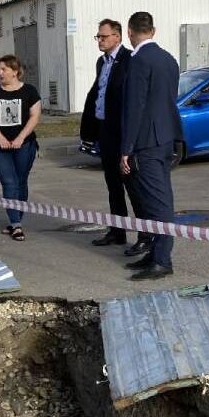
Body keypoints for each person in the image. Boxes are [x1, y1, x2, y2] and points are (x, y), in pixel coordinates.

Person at [120, 11, 182, 281]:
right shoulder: (168, 59)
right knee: (157, 198)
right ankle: (155, 253)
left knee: (157, 202)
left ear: (130, 33)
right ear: (153, 31)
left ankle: (162, 260)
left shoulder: (139, 61)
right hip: (166, 136)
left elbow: (135, 107)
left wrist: (126, 148)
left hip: (146, 141)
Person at [80, 18, 150, 256]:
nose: (99, 40)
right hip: (105, 130)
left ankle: (145, 235)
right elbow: (98, 94)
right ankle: (118, 231)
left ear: (117, 37)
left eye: (103, 36)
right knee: (113, 185)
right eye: (97, 36)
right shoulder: (102, 62)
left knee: (132, 185)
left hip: (123, 132)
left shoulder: (130, 60)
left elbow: (133, 100)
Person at [0, 55, 42, 241]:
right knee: (9, 182)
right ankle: (15, 224)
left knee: (21, 181)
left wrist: (21, 138)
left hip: (24, 145)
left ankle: (17, 219)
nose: (0, 73)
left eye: (4, 69)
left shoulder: (30, 91)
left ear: (15, 71)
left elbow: (34, 116)